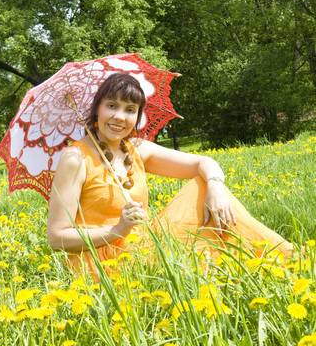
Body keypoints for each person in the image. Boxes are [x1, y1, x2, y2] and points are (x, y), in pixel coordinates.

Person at [47, 73, 293, 277]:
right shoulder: (75, 159)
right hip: (103, 263)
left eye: (130, 109)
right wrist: (117, 230)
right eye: (111, 106)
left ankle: (281, 259)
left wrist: (216, 188)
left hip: (142, 246)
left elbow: (204, 162)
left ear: (138, 116)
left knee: (203, 185)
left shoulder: (137, 150)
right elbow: (56, 238)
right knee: (200, 255)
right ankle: (282, 261)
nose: (120, 117)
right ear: (97, 109)